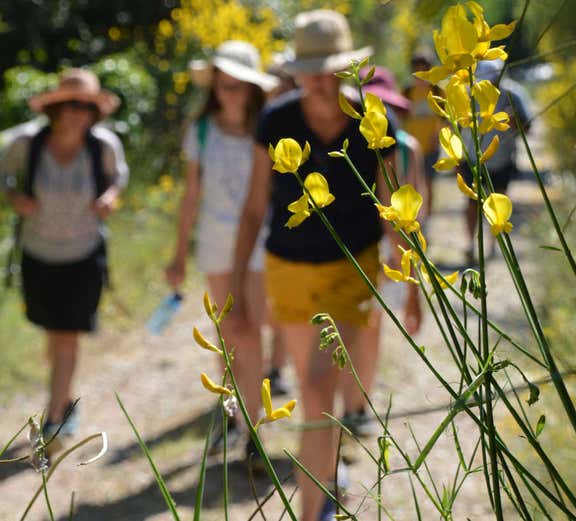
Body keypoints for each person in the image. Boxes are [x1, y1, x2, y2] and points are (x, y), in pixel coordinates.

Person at [231, 10, 416, 521]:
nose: (316, 79)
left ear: (346, 68)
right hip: (287, 267)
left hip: (353, 268)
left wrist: (413, 286)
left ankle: (314, 508)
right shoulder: (276, 120)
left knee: (318, 386)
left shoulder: (377, 120)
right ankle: (328, 480)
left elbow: (394, 206)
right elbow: (253, 207)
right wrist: (236, 294)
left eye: (327, 67)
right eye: (308, 68)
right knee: (315, 387)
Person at [0, 68, 128, 442]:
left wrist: (110, 197)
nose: (78, 113)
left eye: (86, 106)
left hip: (84, 256)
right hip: (38, 256)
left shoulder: (103, 145)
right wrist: (13, 198)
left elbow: (119, 176)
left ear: (95, 112)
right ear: (55, 108)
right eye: (70, 104)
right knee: (54, 337)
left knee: (67, 337)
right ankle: (66, 400)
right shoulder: (27, 144)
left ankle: (52, 422)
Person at [164, 41, 278, 453]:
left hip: (262, 241)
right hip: (215, 241)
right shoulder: (201, 130)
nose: (228, 92)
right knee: (228, 332)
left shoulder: (268, 127)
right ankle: (233, 416)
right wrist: (178, 255)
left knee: (251, 331)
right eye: (222, 85)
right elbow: (191, 194)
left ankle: (254, 428)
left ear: (252, 88)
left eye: (237, 85)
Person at [341, 66, 426, 437]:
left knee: (368, 327)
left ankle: (358, 403)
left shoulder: (406, 148)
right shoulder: (350, 145)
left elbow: (412, 206)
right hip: (360, 246)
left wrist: (410, 277)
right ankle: (353, 403)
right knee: (355, 328)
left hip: (385, 248)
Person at [460, 59, 531, 263]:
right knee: (472, 203)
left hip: (502, 159)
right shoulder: (469, 93)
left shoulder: (513, 95)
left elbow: (527, 126)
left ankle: (493, 246)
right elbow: (455, 124)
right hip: (472, 159)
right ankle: (469, 245)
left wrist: (511, 120)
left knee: (499, 203)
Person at [403, 54, 445, 218]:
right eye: (416, 70)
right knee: (410, 183)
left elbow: (445, 119)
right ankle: (413, 215)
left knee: (428, 183)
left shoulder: (437, 91)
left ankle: (427, 217)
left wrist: (438, 138)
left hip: (431, 145)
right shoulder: (407, 92)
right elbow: (402, 117)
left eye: (423, 69)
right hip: (411, 145)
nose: (420, 74)